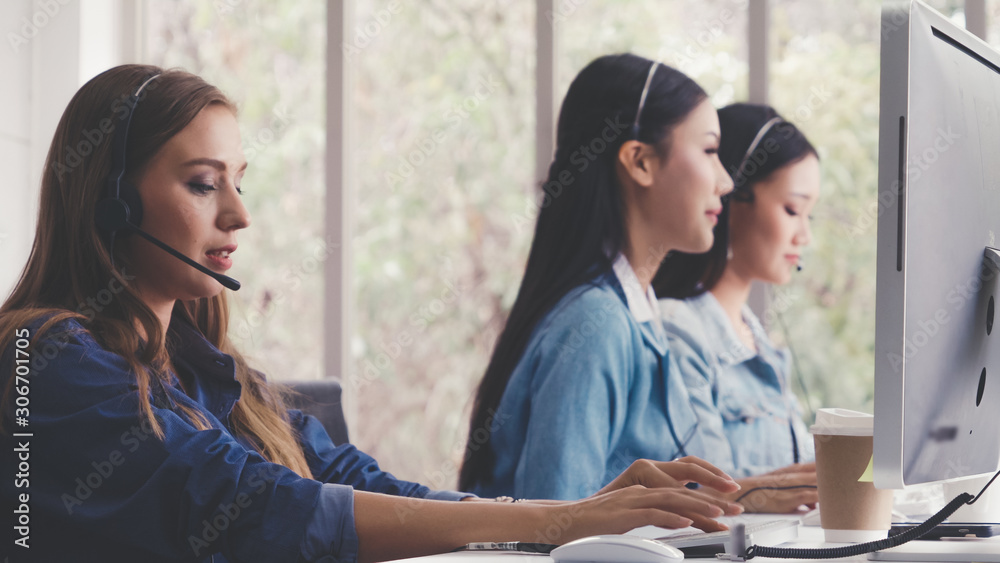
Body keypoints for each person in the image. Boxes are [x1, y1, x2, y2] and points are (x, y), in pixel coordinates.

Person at [0, 64, 744, 563]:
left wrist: (564, 509)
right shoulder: (47, 357)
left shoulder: (201, 367)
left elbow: (351, 477)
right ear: (112, 203)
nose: (239, 215)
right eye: (203, 184)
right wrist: (549, 522)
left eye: (240, 182)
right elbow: (257, 503)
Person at [459, 53, 738, 503]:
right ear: (640, 162)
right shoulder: (597, 323)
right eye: (708, 150)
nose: (724, 180)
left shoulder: (631, 310)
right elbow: (556, 528)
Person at [653, 103, 821, 512]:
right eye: (792, 210)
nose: (805, 236)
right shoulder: (679, 331)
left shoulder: (757, 339)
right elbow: (704, 500)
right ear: (729, 200)